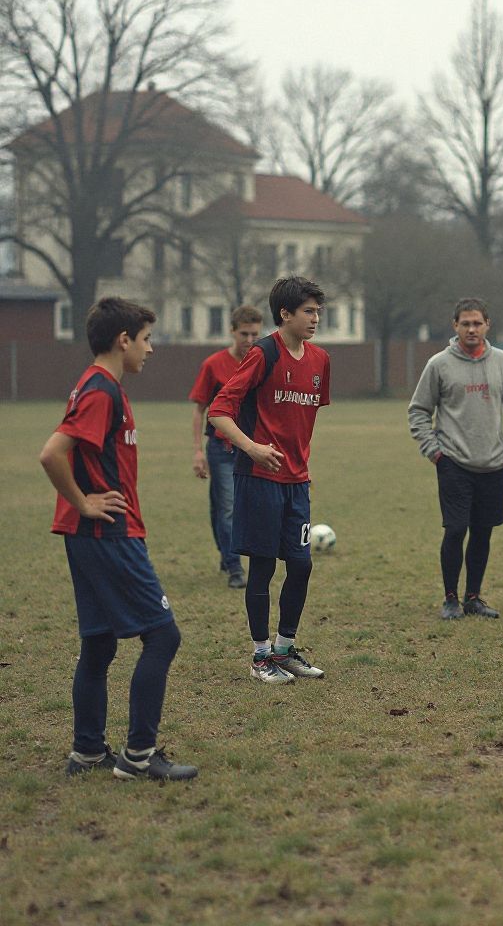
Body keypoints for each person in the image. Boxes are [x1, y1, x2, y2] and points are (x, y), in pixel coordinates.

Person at [39, 297, 197, 781]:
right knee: (163, 636)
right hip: (106, 533)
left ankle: (87, 751)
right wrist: (85, 502)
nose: (150, 349)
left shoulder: (99, 386)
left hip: (88, 535)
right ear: (123, 339)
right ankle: (139, 756)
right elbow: (52, 454)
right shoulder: (101, 390)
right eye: (147, 339)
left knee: (100, 644)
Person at [208, 276, 331, 684]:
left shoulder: (320, 361)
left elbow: (300, 420)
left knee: (301, 565)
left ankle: (284, 648)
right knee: (261, 567)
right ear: (285, 314)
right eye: (308, 311)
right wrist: (252, 448)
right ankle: (260, 657)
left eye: (317, 311)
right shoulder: (263, 354)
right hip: (259, 478)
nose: (315, 318)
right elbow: (219, 410)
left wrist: (301, 468)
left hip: (297, 483)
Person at [408, 298, 503, 620]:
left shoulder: (502, 361)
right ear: (455, 326)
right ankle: (450, 599)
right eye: (465, 323)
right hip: (453, 464)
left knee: (482, 531)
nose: (472, 329)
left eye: (477, 323)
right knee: (456, 529)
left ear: (487, 324)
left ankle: (473, 597)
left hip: (494, 465)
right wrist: (435, 452)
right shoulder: (439, 364)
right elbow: (419, 411)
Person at [188, 304, 264, 589]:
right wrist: (198, 451)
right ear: (232, 331)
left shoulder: (262, 361)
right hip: (222, 449)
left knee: (227, 506)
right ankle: (234, 567)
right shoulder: (213, 365)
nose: (249, 340)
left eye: (255, 334)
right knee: (227, 508)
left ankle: (226, 555)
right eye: (244, 333)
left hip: (254, 448)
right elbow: (199, 410)